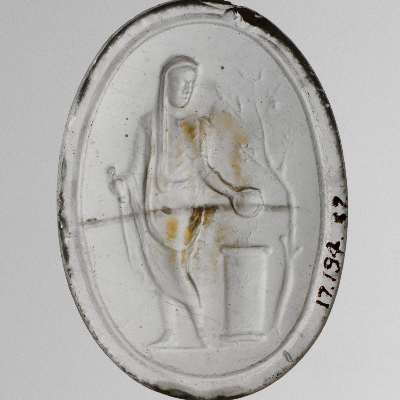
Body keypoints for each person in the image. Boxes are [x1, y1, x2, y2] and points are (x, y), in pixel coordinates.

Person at [110, 56, 287, 347]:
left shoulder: (194, 127)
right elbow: (137, 169)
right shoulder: (148, 125)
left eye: (191, 85)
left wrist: (232, 193)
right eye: (181, 84)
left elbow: (204, 171)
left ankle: (203, 334)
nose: (186, 91)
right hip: (155, 209)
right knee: (161, 273)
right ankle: (172, 334)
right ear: (166, 85)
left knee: (176, 272)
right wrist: (123, 184)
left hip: (183, 215)